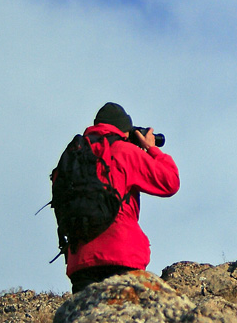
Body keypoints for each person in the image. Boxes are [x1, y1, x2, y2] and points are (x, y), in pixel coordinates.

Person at [66, 102, 180, 292]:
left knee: (88, 320)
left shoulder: (74, 156)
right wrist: (150, 149)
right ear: (125, 131)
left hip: (81, 262)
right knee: (125, 319)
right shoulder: (124, 151)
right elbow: (170, 181)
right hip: (120, 256)